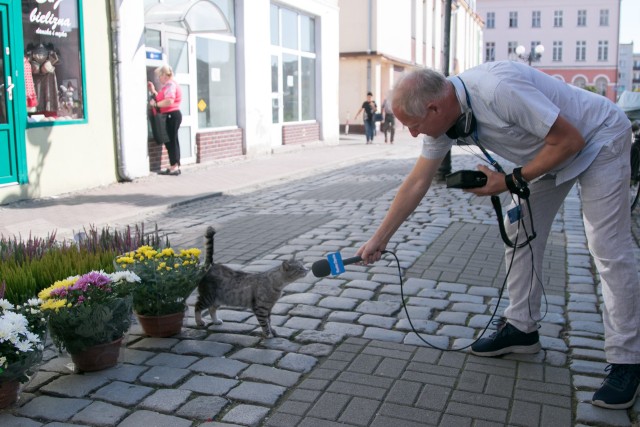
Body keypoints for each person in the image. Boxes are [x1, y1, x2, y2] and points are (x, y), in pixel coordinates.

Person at [356, 61, 640, 410]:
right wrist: (379, 239)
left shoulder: (498, 90)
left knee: (607, 247)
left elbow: (570, 139)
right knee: (519, 229)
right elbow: (417, 181)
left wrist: (507, 180)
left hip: (598, 138)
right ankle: (521, 328)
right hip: (547, 154)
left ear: (435, 107)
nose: (414, 134)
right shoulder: (442, 121)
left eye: (414, 126)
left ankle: (627, 360)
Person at [148, 64, 182, 176]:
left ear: (164, 75)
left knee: (172, 141)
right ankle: (174, 165)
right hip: (170, 115)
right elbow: (162, 98)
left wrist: (156, 104)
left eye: (159, 76)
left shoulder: (170, 84)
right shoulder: (168, 85)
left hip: (172, 115)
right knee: (170, 140)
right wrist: (153, 91)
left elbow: (169, 101)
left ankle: (175, 167)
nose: (159, 79)